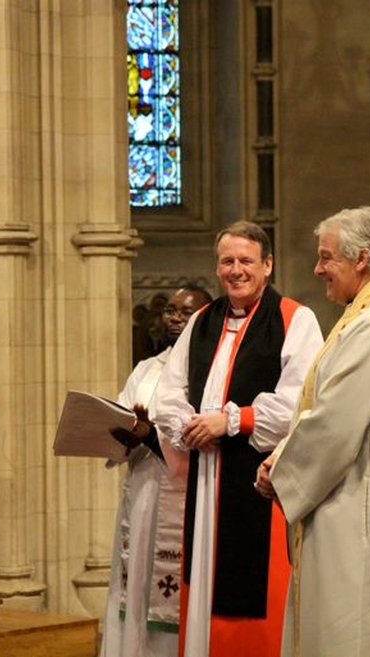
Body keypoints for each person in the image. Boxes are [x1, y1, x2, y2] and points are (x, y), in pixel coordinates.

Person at [255, 206, 370, 657]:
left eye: (326, 258)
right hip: (357, 497)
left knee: (353, 631)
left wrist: (278, 468)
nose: (318, 268)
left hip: (357, 510)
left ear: (360, 258)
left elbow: (334, 424)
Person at [153, 221, 324, 657]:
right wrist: (188, 425)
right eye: (227, 261)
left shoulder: (294, 319)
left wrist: (233, 422)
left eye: (246, 260)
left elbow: (301, 402)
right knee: (204, 587)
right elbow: (168, 394)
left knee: (255, 595)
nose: (236, 270)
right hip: (205, 479)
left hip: (257, 485)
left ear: (267, 264)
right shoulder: (201, 320)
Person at [100, 284, 212, 657]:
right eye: (170, 310)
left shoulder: (210, 371)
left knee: (173, 597)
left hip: (185, 496)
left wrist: (152, 437)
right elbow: (121, 415)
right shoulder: (147, 368)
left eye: (186, 311)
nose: (175, 317)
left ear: (205, 317)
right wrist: (120, 435)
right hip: (141, 491)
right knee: (134, 589)